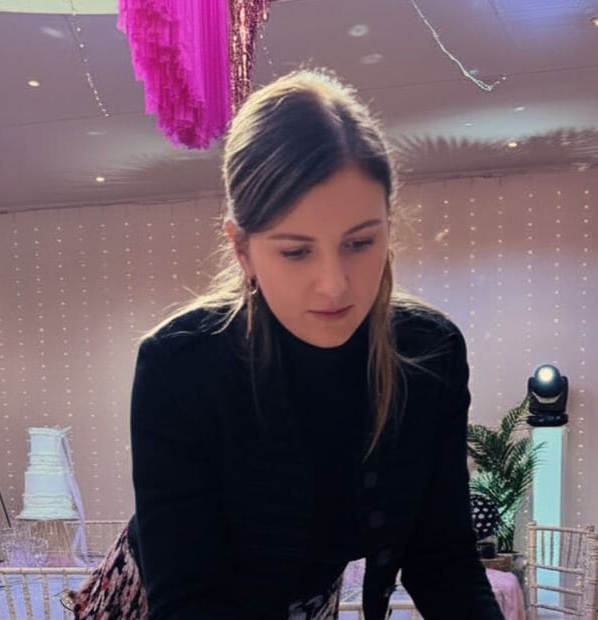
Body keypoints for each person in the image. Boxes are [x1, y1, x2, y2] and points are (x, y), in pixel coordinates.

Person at [129, 68, 504, 620]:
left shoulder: (430, 353)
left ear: (388, 227)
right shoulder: (179, 365)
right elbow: (188, 600)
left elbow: (443, 559)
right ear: (242, 248)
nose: (334, 286)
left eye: (360, 242)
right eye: (296, 252)